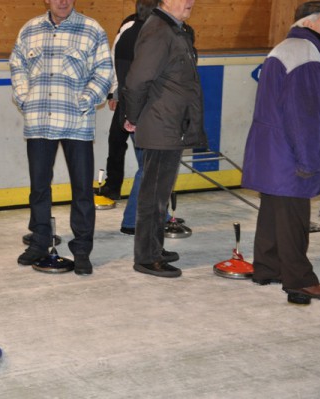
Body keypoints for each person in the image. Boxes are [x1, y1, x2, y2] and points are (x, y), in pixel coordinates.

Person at [10, 0, 113, 275]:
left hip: (76, 122)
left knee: (82, 190)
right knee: (39, 188)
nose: (63, 1)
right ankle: (39, 242)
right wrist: (24, 97)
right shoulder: (29, 30)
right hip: (39, 121)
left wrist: (84, 100)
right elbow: (17, 65)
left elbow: (104, 72)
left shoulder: (92, 30)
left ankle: (81, 250)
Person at [242, 1, 320, 303]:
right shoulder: (306, 53)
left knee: (273, 211)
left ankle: (268, 266)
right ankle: (299, 279)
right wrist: (308, 160)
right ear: (311, 23)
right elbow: (303, 115)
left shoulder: (286, 47)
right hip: (290, 153)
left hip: (271, 150)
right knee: (294, 215)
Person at [122, 0, 207, 278]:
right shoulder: (159, 30)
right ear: (165, 1)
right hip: (160, 126)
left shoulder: (174, 29)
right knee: (153, 196)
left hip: (169, 125)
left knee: (159, 193)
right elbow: (137, 80)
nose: (190, 2)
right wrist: (133, 117)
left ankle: (154, 248)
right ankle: (147, 258)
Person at [100, 0, 160, 235]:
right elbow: (129, 75)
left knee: (151, 165)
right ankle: (133, 220)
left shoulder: (139, 31)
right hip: (142, 110)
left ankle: (156, 214)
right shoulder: (141, 34)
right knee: (149, 166)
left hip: (136, 108)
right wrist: (115, 93)